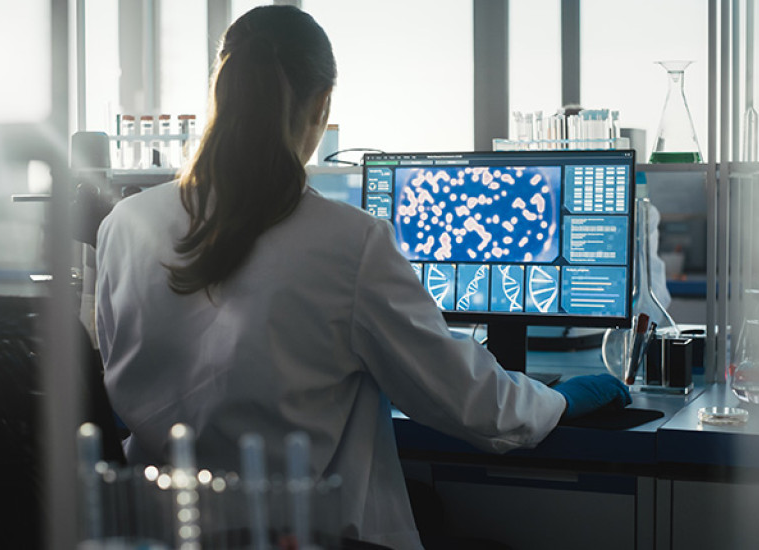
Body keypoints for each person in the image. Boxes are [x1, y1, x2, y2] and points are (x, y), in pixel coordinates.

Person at [95, 5, 631, 549]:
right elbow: (474, 406)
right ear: (322, 105)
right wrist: (559, 401)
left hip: (163, 532)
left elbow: (120, 372)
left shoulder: (126, 224)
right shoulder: (348, 242)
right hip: (306, 535)